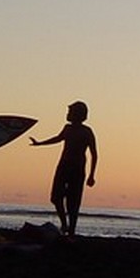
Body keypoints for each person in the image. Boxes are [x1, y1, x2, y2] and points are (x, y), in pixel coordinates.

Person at [31, 101, 98, 238]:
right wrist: (40, 143)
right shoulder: (67, 128)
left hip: (78, 169)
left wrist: (92, 175)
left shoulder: (87, 131)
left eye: (70, 112)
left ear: (78, 115)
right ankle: (64, 224)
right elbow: (58, 138)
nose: (67, 114)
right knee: (55, 197)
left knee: (74, 201)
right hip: (63, 166)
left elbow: (94, 153)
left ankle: (71, 231)